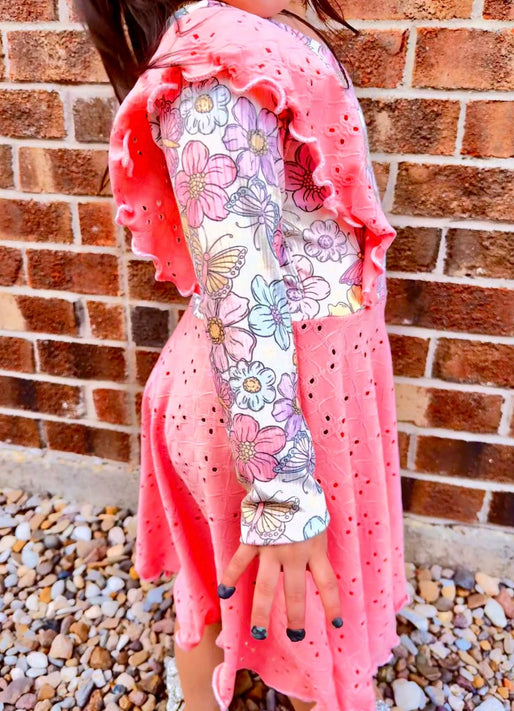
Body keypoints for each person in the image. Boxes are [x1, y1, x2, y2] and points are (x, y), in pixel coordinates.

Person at [78, 0, 411, 709]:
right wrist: (283, 498)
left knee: (231, 583)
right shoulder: (216, 76)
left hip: (297, 385)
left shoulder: (257, 38)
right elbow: (242, 296)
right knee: (296, 604)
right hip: (272, 410)